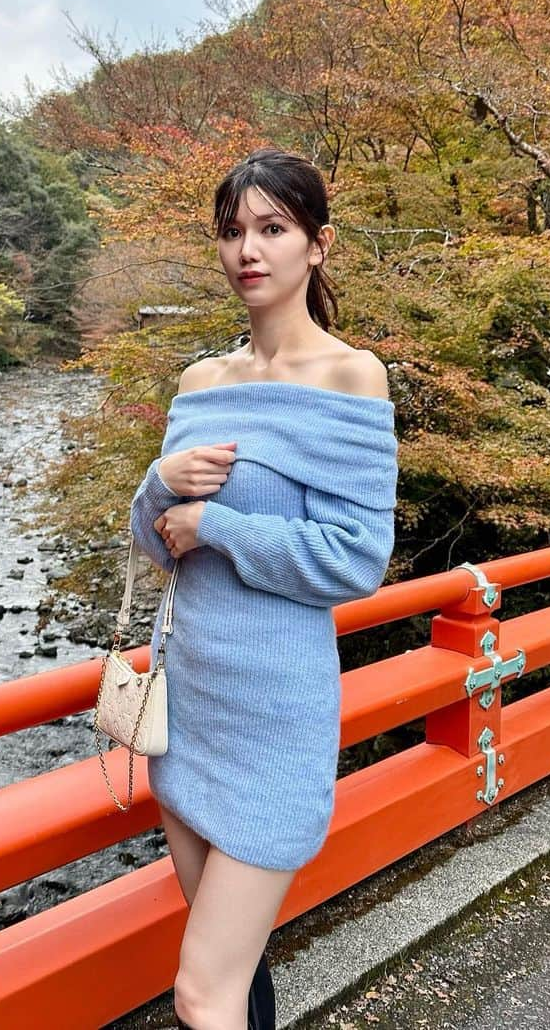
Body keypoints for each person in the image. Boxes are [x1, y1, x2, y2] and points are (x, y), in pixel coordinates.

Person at [129, 147, 399, 1030]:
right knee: (237, 979)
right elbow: (153, 545)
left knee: (199, 992)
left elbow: (357, 558)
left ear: (316, 246)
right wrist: (162, 483)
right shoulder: (198, 383)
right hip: (192, 702)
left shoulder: (352, 377)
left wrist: (218, 527)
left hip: (278, 713)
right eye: (233, 231)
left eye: (273, 229)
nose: (250, 249)